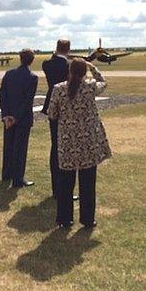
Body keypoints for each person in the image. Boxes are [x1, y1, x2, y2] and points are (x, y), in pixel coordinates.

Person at [48, 58, 111, 229]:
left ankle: (64, 218)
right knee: (88, 184)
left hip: (68, 143)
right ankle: (88, 219)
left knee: (65, 183)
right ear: (84, 73)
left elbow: (52, 113)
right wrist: (93, 68)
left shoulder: (59, 89)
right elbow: (103, 83)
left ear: (69, 71)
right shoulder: (90, 87)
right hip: (88, 142)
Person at [42, 39, 77, 201]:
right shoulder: (69, 66)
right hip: (67, 109)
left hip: (52, 107)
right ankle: (65, 189)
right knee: (68, 147)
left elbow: (51, 61)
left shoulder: (46, 64)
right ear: (68, 49)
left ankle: (56, 189)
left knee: (55, 147)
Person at [0, 48, 38, 188]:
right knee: (20, 149)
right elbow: (28, 101)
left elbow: (3, 96)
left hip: (8, 117)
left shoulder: (9, 74)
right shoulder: (32, 77)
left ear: (20, 58)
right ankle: (18, 179)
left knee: (8, 146)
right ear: (32, 60)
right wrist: (16, 117)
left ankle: (6, 174)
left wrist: (6, 115)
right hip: (22, 119)